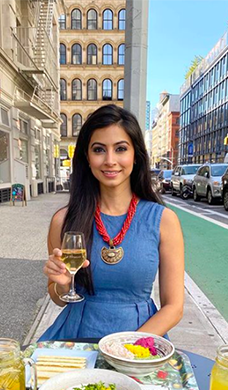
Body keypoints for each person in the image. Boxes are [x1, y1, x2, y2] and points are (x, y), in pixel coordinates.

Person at [41, 104, 184, 341]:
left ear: (135, 156)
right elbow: (57, 297)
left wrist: (126, 348)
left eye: (120, 149)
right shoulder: (64, 220)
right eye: (98, 149)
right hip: (76, 339)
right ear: (86, 157)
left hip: (138, 342)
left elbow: (174, 307)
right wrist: (63, 284)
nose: (110, 160)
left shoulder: (163, 221)